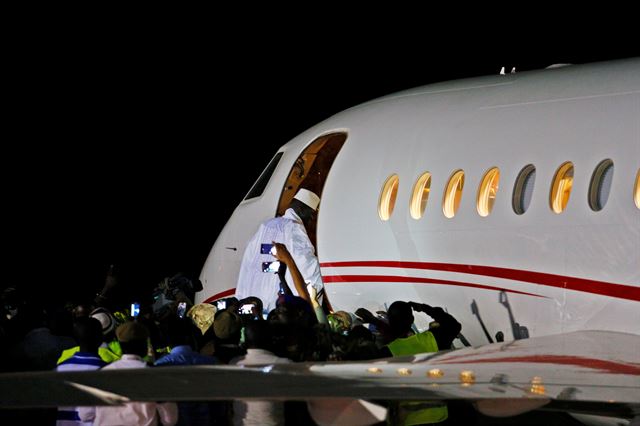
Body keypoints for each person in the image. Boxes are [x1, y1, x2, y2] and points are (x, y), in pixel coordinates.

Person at [236, 188, 324, 314]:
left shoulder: (266, 224)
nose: (310, 220)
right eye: (311, 214)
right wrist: (325, 270)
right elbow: (306, 266)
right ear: (301, 209)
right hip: (276, 306)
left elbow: (248, 261)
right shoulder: (294, 228)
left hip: (254, 302)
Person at [380, 301, 461, 425]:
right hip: (439, 417)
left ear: (390, 322)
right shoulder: (432, 338)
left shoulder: (386, 353)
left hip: (409, 421)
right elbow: (454, 325)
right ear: (412, 319)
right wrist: (424, 308)